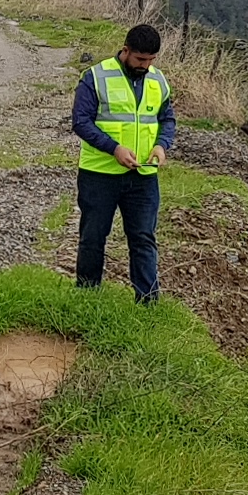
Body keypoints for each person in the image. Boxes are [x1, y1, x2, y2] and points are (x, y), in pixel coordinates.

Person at [71, 25, 175, 305]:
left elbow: (167, 119)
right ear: (126, 51)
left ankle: (148, 303)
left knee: (143, 238)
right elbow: (81, 122)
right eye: (141, 60)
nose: (147, 65)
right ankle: (87, 297)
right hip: (99, 175)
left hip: (143, 176)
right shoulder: (95, 77)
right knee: (93, 237)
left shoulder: (158, 80)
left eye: (152, 60)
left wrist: (161, 145)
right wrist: (114, 148)